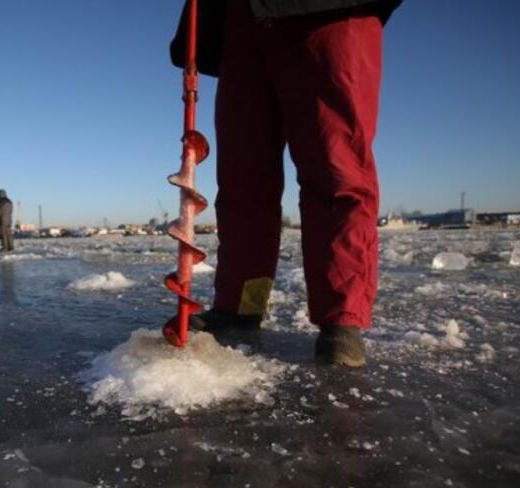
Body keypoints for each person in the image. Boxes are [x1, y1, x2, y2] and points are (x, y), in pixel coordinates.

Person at [171, 0, 402, 367]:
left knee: (335, 165)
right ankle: (240, 305)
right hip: (239, 18)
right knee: (242, 178)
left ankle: (340, 318)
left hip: (328, 12)